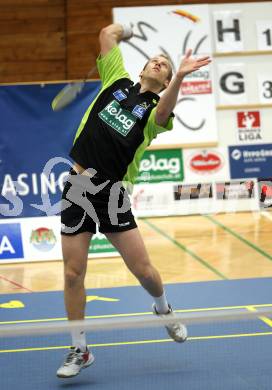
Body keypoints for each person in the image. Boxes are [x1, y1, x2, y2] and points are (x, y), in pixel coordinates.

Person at [57, 23, 211, 378]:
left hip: (112, 194)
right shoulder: (115, 79)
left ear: (166, 79)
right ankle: (79, 349)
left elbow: (163, 111)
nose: (159, 64)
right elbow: (107, 34)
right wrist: (126, 30)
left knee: (143, 271)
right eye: (154, 61)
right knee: (72, 272)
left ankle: (163, 308)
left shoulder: (157, 110)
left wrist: (180, 79)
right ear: (141, 68)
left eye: (166, 66)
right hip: (78, 186)